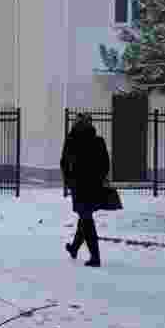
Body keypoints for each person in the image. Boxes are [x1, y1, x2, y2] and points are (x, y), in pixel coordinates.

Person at [60, 114, 111, 267]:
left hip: (79, 186)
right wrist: (99, 179)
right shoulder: (98, 141)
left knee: (86, 218)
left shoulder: (72, 141)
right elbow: (105, 164)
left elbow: (64, 163)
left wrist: (69, 182)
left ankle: (95, 257)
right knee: (85, 216)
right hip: (94, 186)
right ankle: (74, 248)